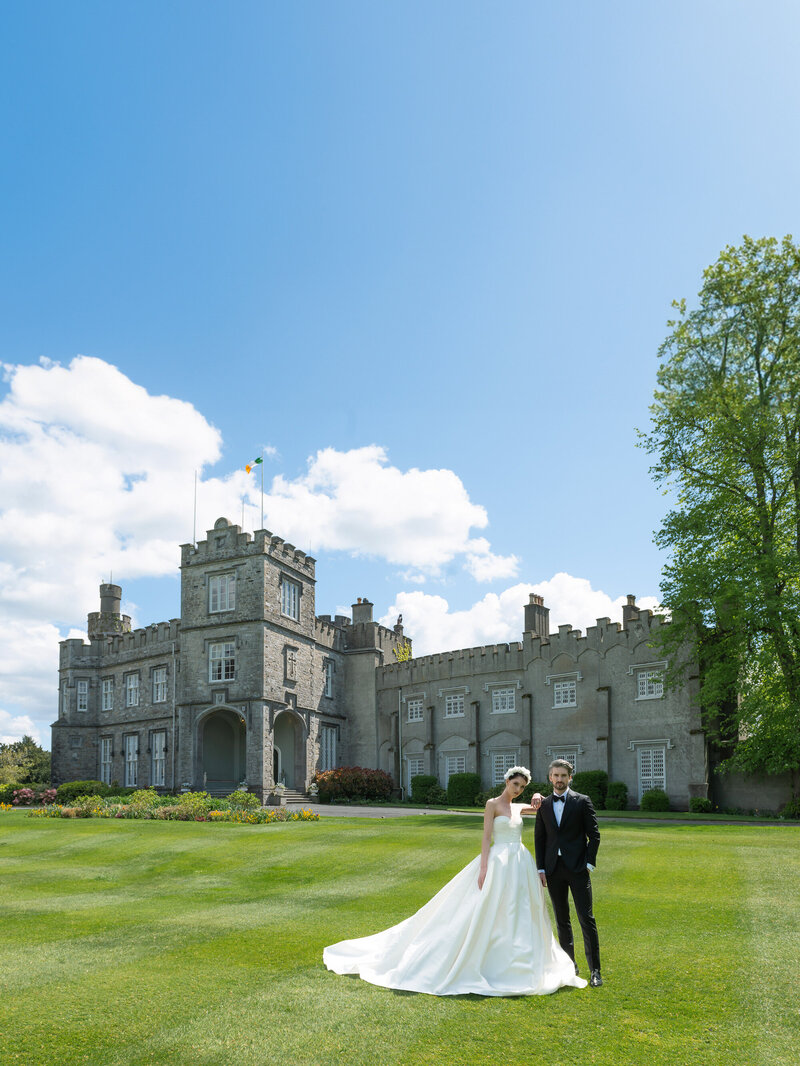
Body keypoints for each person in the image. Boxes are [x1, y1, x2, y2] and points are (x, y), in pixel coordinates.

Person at [323, 766, 587, 996]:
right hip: (498, 861)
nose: (517, 789)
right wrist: (483, 867)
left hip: (520, 862)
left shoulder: (520, 806)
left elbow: (541, 805)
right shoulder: (492, 805)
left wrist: (538, 796)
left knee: (519, 911)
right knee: (487, 908)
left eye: (522, 786)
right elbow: (486, 838)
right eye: (515, 784)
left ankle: (519, 959)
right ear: (507, 782)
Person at [534, 758, 603, 987]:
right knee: (562, 921)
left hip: (578, 869)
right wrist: (541, 868)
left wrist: (589, 863)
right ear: (550, 778)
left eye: (564, 775)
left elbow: (594, 835)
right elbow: (540, 838)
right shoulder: (543, 805)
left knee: (586, 919)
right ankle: (569, 967)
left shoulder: (582, 801)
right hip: (553, 870)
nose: (560, 779)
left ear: (570, 777)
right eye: (556, 775)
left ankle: (595, 970)